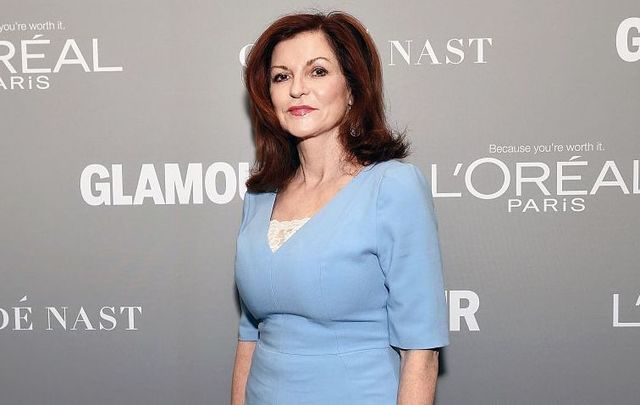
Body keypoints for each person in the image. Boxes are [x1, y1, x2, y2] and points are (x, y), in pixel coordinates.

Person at [231, 10, 449, 405]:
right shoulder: (259, 197)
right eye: (281, 76)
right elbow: (250, 336)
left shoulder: (392, 187)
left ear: (352, 88)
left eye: (317, 71)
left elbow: (421, 351)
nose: (297, 89)